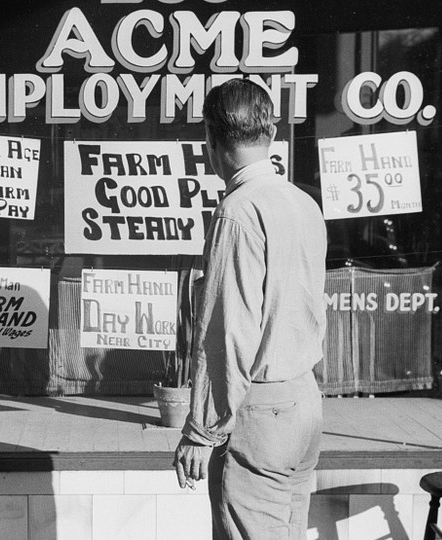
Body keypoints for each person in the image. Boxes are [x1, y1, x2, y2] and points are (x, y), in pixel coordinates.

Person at [173, 78, 327, 540]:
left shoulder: (238, 212)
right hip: (303, 403)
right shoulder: (303, 203)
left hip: (260, 414)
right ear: (272, 133)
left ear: (212, 139)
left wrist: (201, 430)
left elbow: (228, 332)